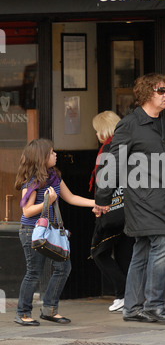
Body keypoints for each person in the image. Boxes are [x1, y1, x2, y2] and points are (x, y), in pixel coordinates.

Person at [94, 73, 165, 323]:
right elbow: (113, 163)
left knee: (142, 250)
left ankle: (131, 308)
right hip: (140, 199)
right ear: (146, 94)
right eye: (161, 90)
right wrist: (103, 199)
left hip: (162, 198)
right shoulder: (129, 125)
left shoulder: (164, 125)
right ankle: (153, 305)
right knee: (163, 244)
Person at [14, 138, 95, 326]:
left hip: (50, 231)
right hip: (32, 231)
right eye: (51, 152)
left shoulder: (54, 176)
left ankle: (49, 310)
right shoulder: (33, 181)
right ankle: (23, 312)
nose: (55, 154)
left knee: (63, 267)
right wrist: (47, 202)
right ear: (41, 157)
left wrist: (96, 203)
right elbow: (26, 211)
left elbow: (71, 197)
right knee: (34, 272)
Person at [89, 111, 134, 313]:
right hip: (129, 209)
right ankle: (128, 296)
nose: (96, 134)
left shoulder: (108, 149)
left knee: (98, 252)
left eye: (97, 130)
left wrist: (101, 204)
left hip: (112, 209)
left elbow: (105, 181)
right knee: (125, 253)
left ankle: (123, 293)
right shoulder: (127, 146)